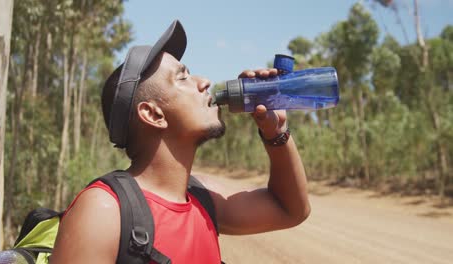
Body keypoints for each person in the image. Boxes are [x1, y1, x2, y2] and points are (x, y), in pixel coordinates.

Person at [51, 20, 310, 264]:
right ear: (153, 114)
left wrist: (276, 132)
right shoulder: (104, 211)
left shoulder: (203, 197)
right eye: (183, 77)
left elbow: (290, 210)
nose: (205, 82)